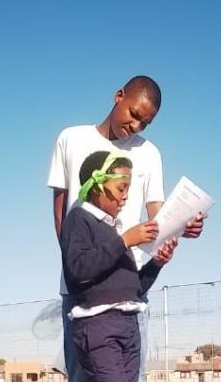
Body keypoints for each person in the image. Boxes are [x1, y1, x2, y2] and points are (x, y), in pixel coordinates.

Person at [47, 75, 207, 381]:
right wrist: (78, 268)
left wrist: (183, 225)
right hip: (83, 293)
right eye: (134, 114)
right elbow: (60, 212)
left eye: (145, 123)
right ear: (118, 96)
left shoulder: (149, 153)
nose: (135, 126)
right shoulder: (71, 139)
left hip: (129, 290)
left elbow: (159, 218)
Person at [60, 150, 178, 382]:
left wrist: (157, 263)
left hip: (129, 326)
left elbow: (134, 288)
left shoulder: (114, 231)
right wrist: (124, 241)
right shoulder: (78, 219)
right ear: (97, 187)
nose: (125, 197)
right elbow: (78, 268)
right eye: (121, 188)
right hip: (99, 326)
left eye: (128, 189)